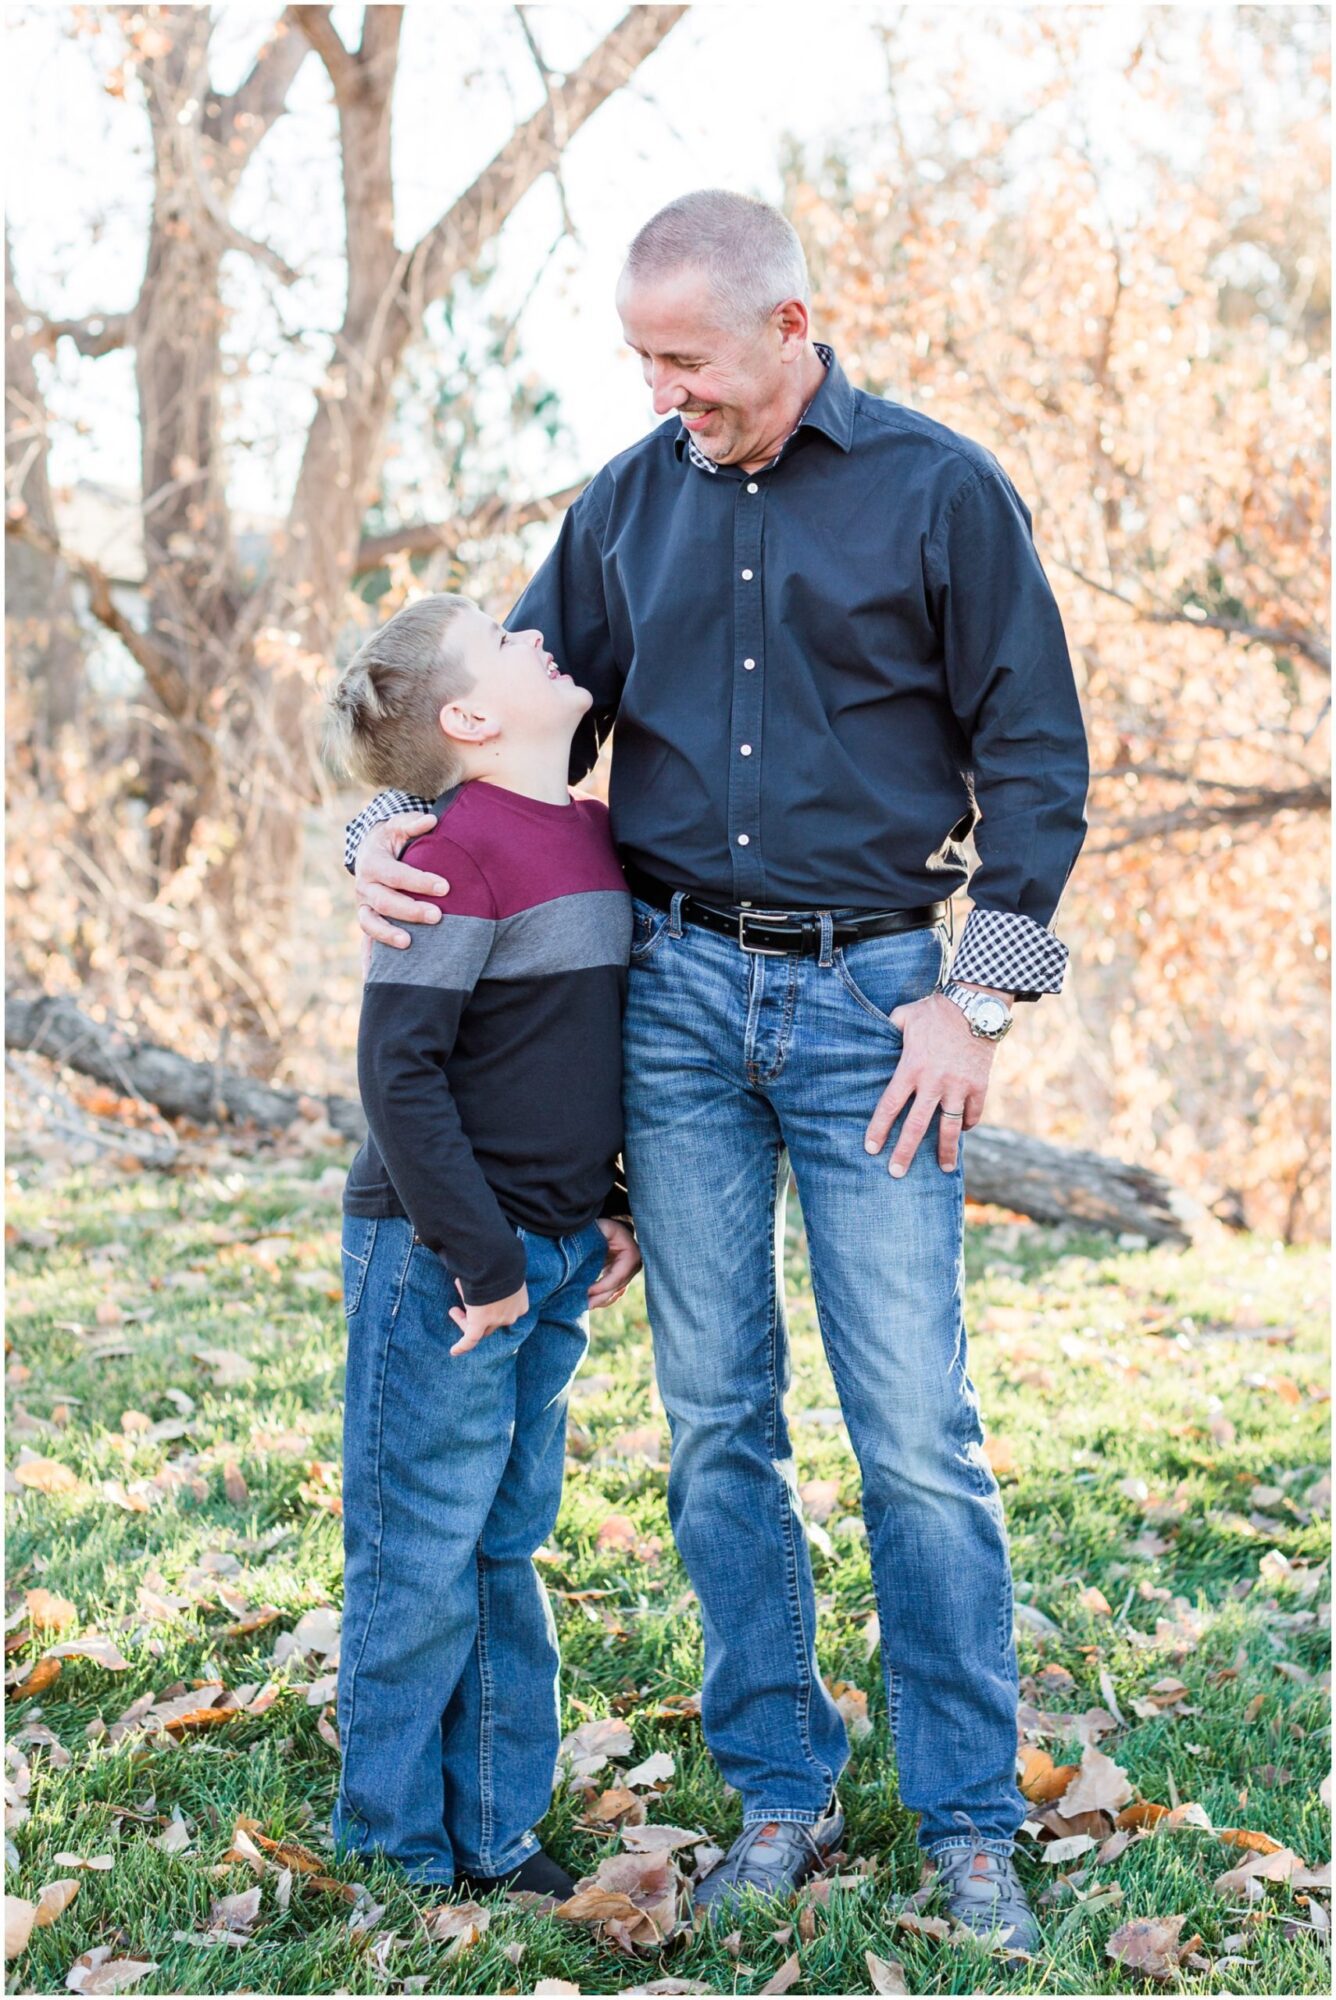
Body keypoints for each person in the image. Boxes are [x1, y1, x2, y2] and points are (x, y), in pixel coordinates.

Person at [345, 190, 1089, 1952]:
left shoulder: (940, 492)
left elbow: (1040, 760)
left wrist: (973, 1007)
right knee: (714, 1428)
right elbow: (484, 724)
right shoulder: (627, 503)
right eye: (646, 364)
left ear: (790, 325)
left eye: (691, 361)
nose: (669, 394)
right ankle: (779, 1784)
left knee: (915, 1431)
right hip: (670, 1000)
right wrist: (375, 831)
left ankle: (972, 1817)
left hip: (880, 1012)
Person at [324, 592, 641, 1895]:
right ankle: (395, 1854)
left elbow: (567, 1056)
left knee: (506, 1549)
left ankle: (496, 1831)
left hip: (552, 1250)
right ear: (467, 716)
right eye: (509, 645)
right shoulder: (452, 857)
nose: (540, 639)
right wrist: (486, 1262)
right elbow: (401, 1078)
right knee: (419, 1557)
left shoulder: (587, 830)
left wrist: (604, 1203)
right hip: (445, 1263)